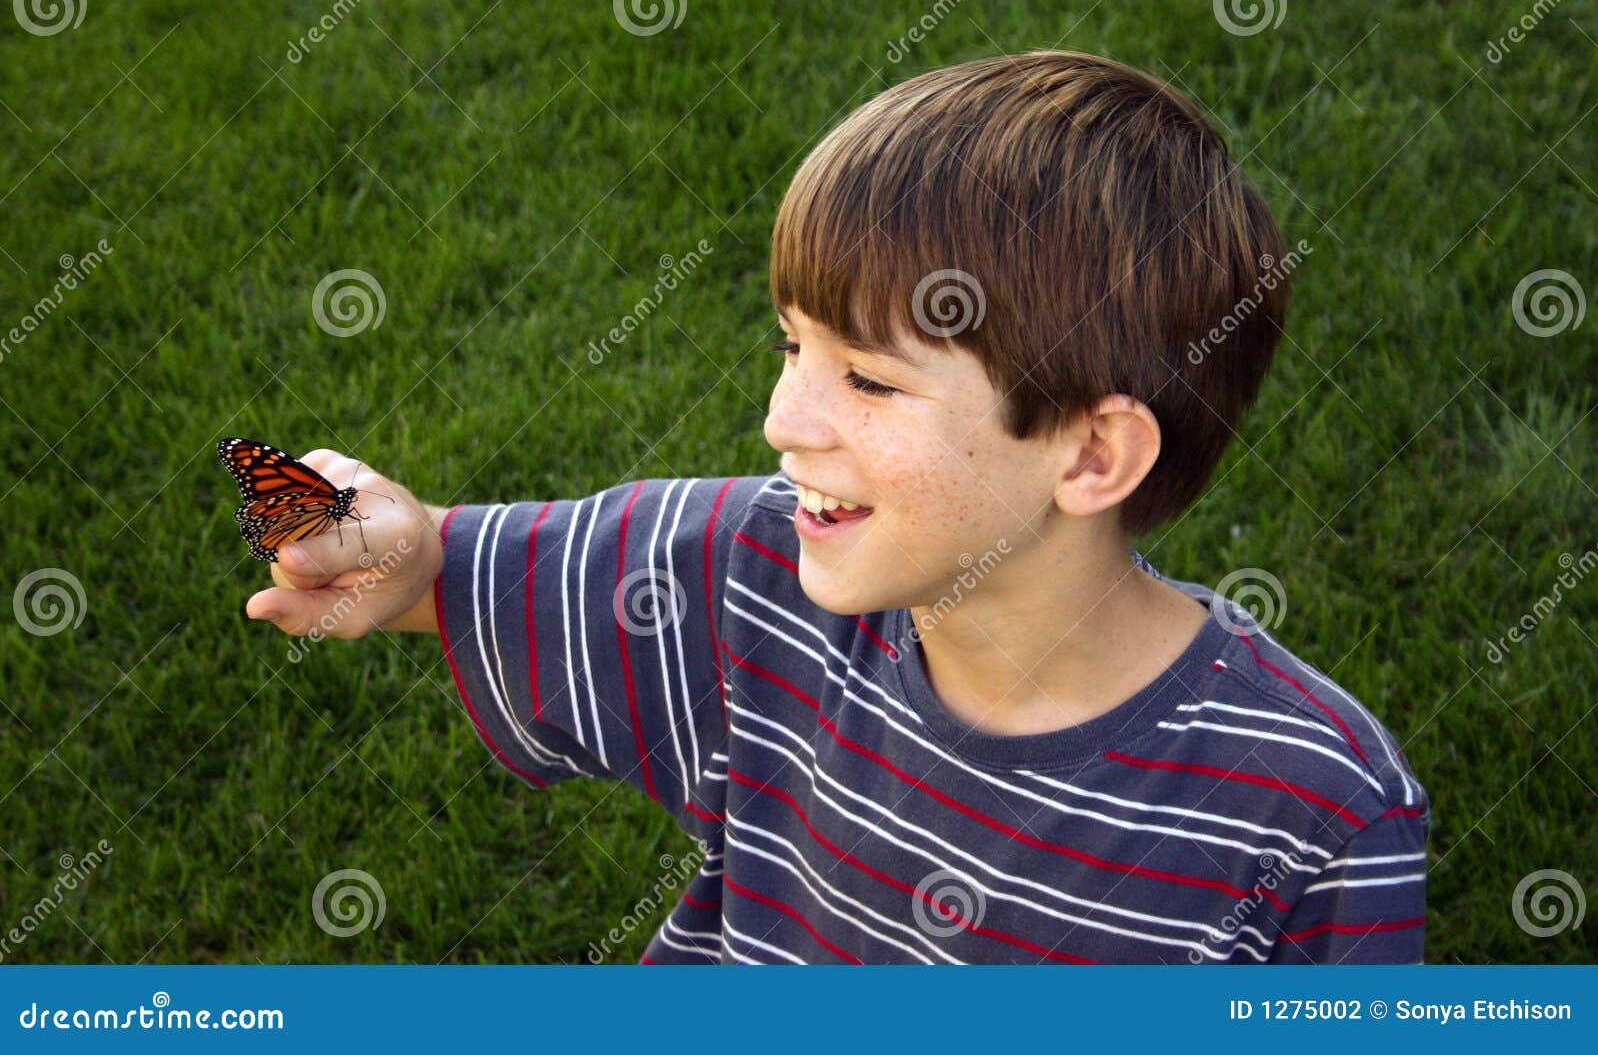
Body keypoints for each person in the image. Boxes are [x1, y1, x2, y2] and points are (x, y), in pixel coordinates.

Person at [242, 50, 1428, 963]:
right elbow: (458, 569)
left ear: (1089, 454)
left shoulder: (1314, 810)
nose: (783, 419)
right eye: (790, 345)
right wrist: (399, 548)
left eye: (867, 377)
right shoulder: (749, 574)